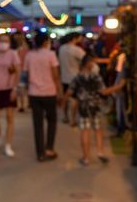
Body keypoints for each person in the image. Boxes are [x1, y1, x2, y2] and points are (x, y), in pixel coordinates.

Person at [65, 54, 125, 166]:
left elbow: (69, 92)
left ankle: (86, 158)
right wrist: (118, 87)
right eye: (92, 62)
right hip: (96, 107)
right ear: (89, 63)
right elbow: (104, 92)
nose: (94, 64)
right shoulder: (96, 77)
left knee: (85, 132)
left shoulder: (77, 77)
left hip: (83, 108)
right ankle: (100, 153)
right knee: (98, 131)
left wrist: (62, 102)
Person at [24, 32, 62, 162]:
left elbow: (27, 74)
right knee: (51, 121)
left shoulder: (29, 55)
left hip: (34, 93)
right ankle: (49, 149)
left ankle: (40, 153)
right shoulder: (51, 55)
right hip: (49, 92)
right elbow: (55, 75)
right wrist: (59, 92)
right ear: (46, 42)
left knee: (37, 124)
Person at [0, 34, 21, 157]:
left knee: (9, 118)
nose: (3, 43)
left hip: (9, 88)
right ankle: (0, 134)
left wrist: (15, 89)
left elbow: (17, 72)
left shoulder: (13, 54)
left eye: (6, 41)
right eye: (1, 41)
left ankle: (8, 145)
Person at [58, 33, 85, 127]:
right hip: (75, 77)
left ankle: (65, 117)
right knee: (74, 99)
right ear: (75, 38)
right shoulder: (77, 50)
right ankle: (73, 120)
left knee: (66, 97)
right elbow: (85, 60)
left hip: (64, 76)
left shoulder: (62, 48)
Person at [13, 33, 30, 112]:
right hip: (27, 70)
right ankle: (26, 104)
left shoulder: (17, 50)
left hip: (21, 70)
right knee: (26, 88)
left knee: (21, 89)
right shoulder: (28, 49)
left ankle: (22, 105)